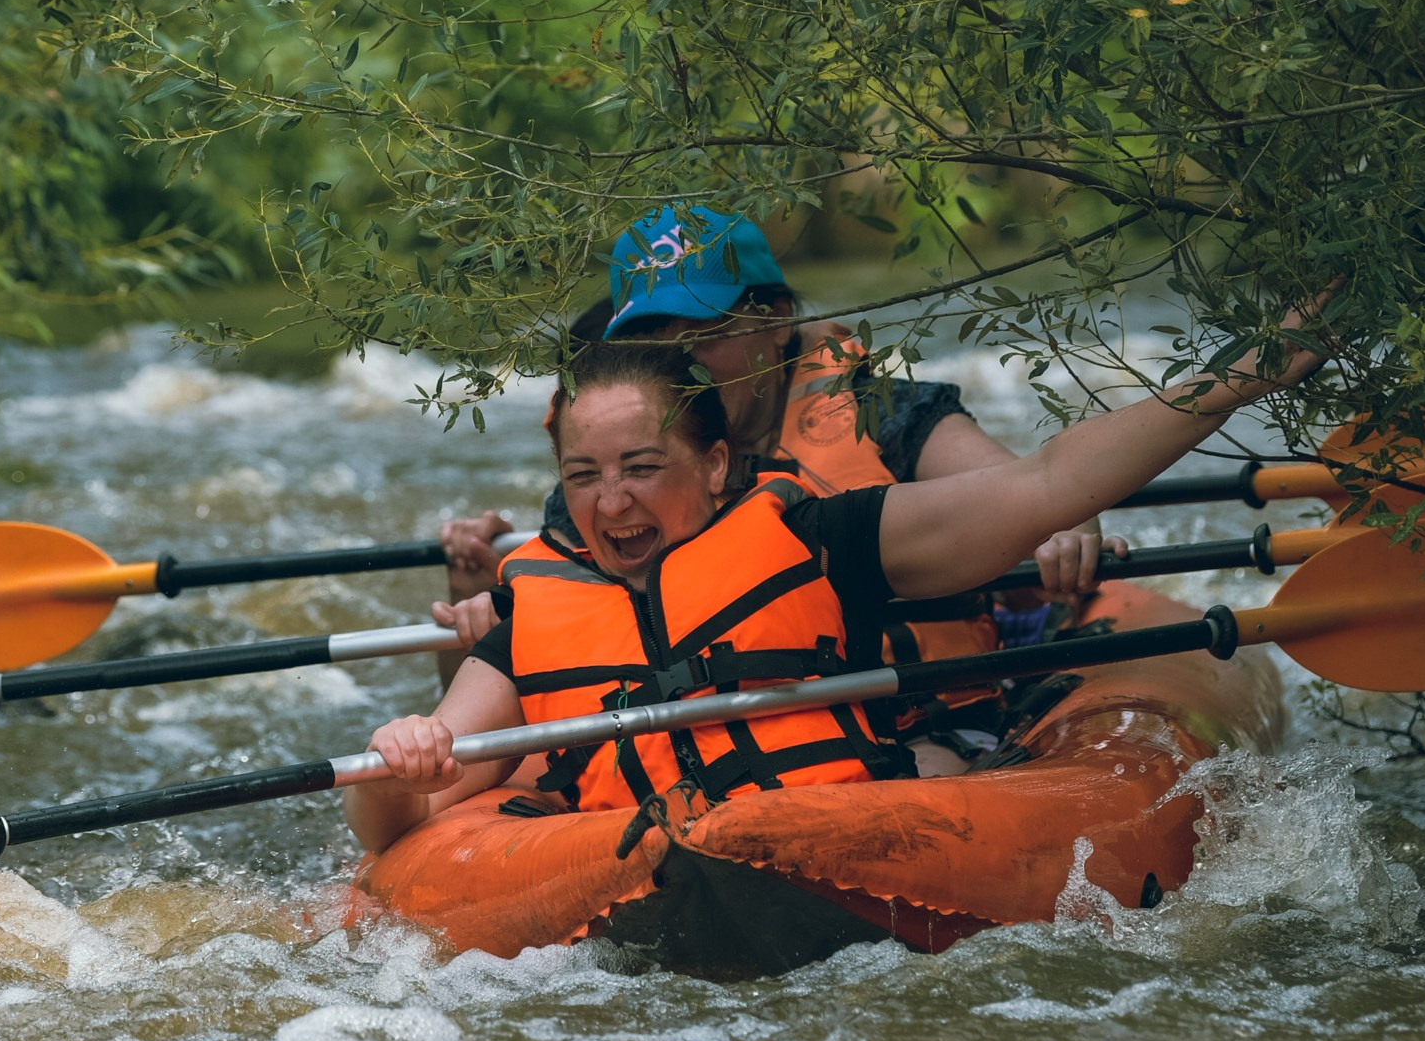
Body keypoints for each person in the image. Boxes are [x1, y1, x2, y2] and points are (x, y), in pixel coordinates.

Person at [353, 319, 1315, 855]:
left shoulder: (820, 538)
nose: (612, 503)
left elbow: (1051, 483)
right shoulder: (539, 607)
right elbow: (404, 821)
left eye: (642, 467)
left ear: (717, 464)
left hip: (847, 846)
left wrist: (1259, 366)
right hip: (643, 874)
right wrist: (398, 757)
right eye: (583, 477)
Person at [435, 202, 1102, 614]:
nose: (683, 365)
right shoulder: (609, 485)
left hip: (909, 716)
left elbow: (1027, 495)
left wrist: (1066, 531)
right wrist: (473, 586)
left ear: (777, 321)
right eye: (653, 343)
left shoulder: (882, 412)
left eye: (707, 335)